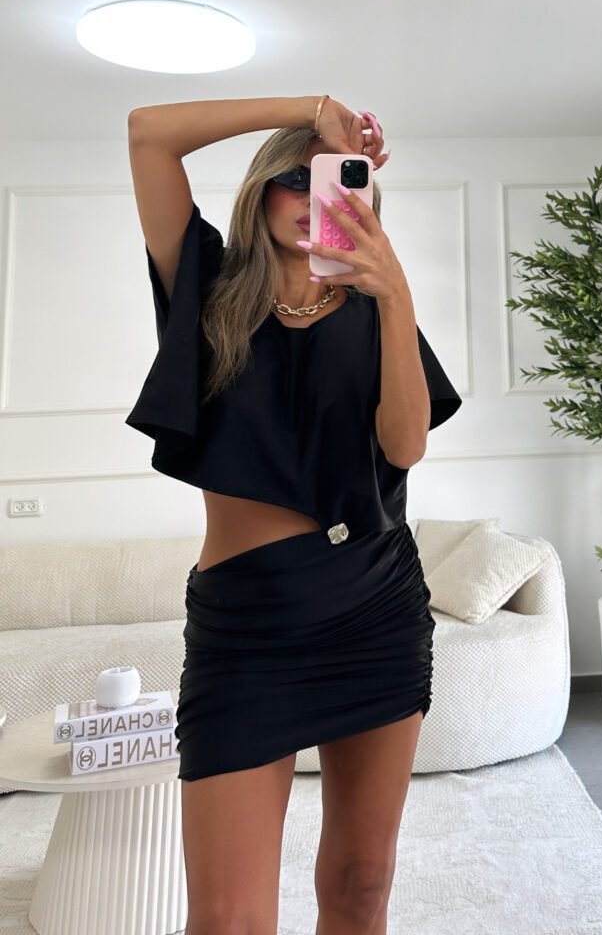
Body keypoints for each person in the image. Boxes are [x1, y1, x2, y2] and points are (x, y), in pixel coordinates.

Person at [125, 94, 462, 935]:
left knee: (361, 885)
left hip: (374, 608)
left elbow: (404, 446)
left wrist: (395, 294)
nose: (310, 199)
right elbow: (148, 133)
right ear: (260, 188)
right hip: (247, 627)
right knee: (227, 920)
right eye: (294, 178)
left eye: (332, 180)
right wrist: (312, 107)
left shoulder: (374, 308)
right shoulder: (204, 283)